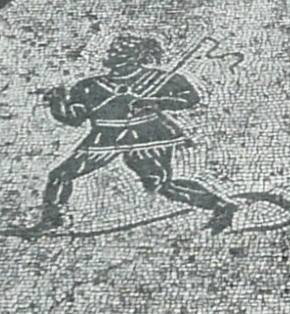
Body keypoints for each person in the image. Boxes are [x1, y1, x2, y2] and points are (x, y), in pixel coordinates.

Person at [17, 35, 234, 235]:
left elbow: (189, 98)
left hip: (146, 134)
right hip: (105, 136)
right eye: (112, 52)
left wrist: (154, 102)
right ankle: (51, 219)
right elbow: (74, 118)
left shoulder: (158, 79)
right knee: (61, 175)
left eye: (117, 54)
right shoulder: (90, 86)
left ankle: (221, 206)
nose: (111, 57)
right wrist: (57, 102)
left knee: (160, 183)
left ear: (134, 57)